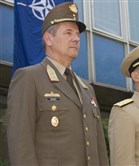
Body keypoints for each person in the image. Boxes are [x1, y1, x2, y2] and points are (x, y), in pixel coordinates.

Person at [7, 2, 109, 166]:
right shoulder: (29, 78)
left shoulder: (87, 89)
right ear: (49, 39)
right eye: (68, 33)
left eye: (77, 34)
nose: (76, 38)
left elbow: (100, 150)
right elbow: (20, 143)